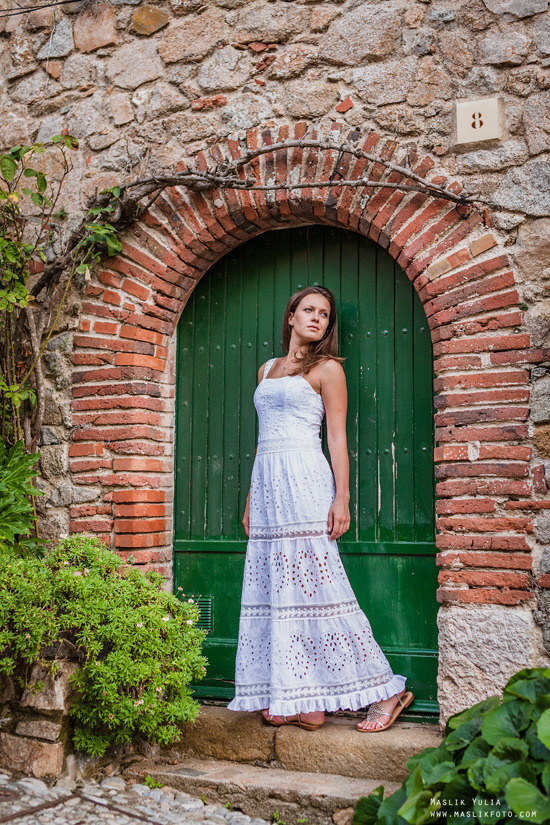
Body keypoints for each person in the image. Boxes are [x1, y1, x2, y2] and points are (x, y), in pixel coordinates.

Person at [226, 285, 414, 732]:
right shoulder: (266, 369)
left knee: (318, 587)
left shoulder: (328, 369)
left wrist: (342, 496)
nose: (316, 318)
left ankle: (387, 692)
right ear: (290, 316)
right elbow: (263, 435)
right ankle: (302, 700)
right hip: (269, 484)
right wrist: (252, 494)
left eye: (325, 315)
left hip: (305, 480)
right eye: (308, 310)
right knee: (279, 589)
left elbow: (336, 438)